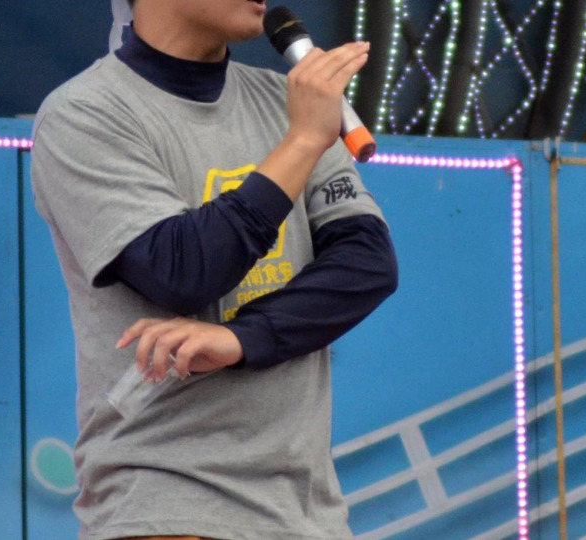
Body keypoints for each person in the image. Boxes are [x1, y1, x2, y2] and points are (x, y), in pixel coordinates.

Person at [30, 1, 399, 539]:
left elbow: (367, 264)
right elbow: (182, 270)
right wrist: (301, 142)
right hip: (165, 506)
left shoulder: (288, 100)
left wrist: (242, 338)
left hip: (306, 514)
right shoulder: (84, 112)